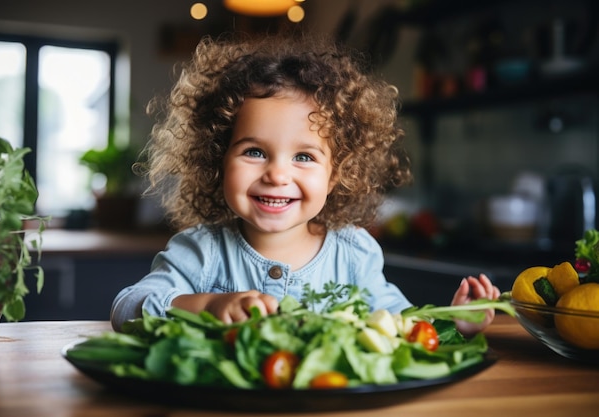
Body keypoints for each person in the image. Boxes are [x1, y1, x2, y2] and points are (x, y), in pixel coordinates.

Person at [110, 34, 500, 334]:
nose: (277, 175)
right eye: (254, 152)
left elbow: (399, 325)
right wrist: (207, 306)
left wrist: (454, 324)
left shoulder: (354, 254)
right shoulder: (201, 251)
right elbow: (127, 308)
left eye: (304, 157)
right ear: (218, 159)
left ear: (336, 174)